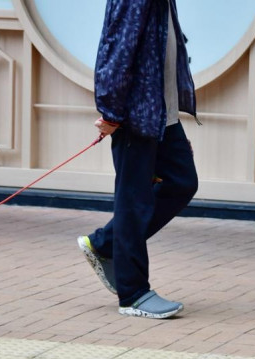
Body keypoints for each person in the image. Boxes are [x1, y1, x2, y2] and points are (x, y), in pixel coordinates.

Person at [78, 0, 199, 319]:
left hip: (162, 112)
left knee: (181, 182)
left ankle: (106, 243)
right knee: (134, 200)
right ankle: (133, 294)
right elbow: (116, 44)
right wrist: (112, 111)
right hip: (135, 114)